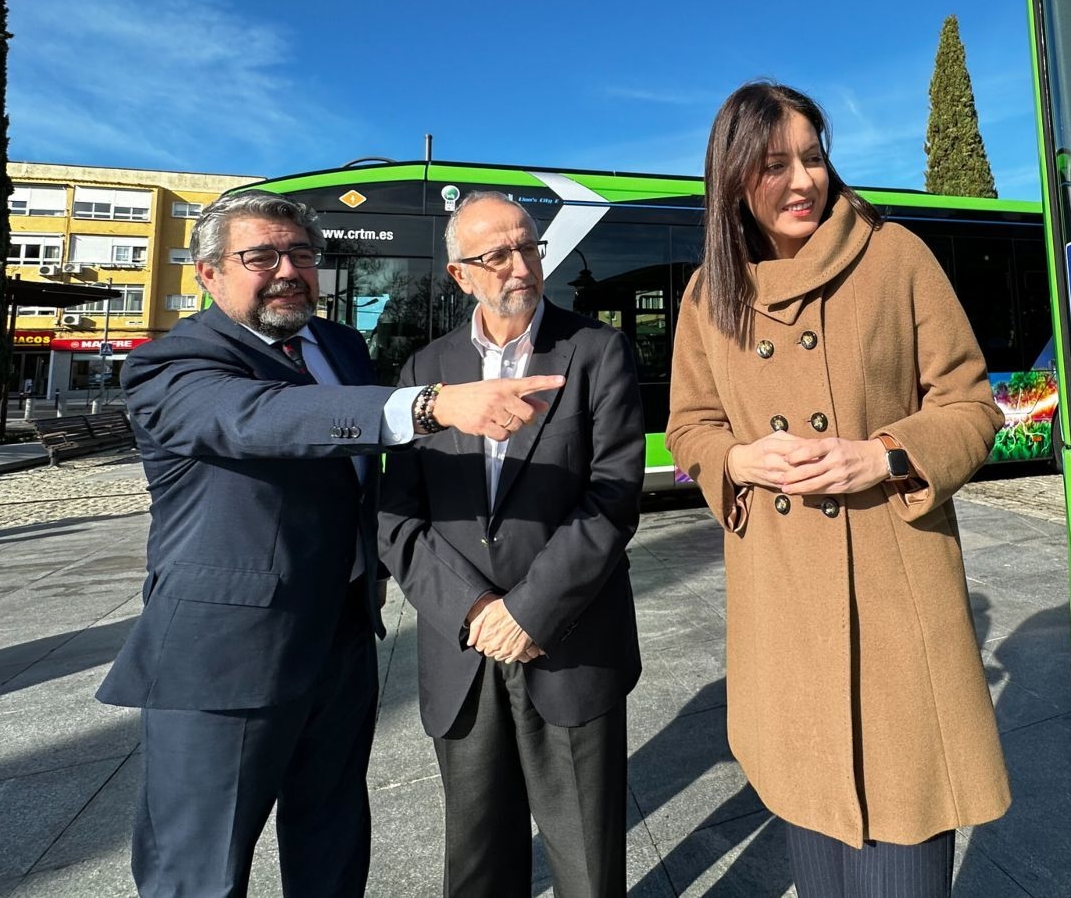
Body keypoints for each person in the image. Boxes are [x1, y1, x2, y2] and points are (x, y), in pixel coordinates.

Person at [96, 190, 563, 898]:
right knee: (200, 870)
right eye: (262, 256)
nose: (289, 271)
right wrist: (432, 404)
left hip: (341, 641)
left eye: (303, 255)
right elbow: (261, 417)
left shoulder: (339, 345)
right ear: (208, 272)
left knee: (333, 844)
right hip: (224, 660)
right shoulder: (172, 363)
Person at [665, 81, 1012, 896]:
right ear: (732, 180)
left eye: (813, 158)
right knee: (819, 860)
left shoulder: (897, 258)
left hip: (899, 610)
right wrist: (739, 461)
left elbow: (972, 404)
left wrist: (886, 455)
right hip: (784, 621)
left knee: (905, 861)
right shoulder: (708, 295)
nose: (801, 182)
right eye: (774, 164)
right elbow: (690, 426)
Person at [378, 192, 644, 897]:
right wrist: (472, 612)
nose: (519, 266)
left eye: (528, 247)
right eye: (495, 255)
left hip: (570, 645)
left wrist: (526, 612)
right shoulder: (423, 373)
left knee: (588, 867)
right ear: (460, 274)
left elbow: (613, 499)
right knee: (476, 865)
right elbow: (398, 518)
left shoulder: (595, 351)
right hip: (462, 657)